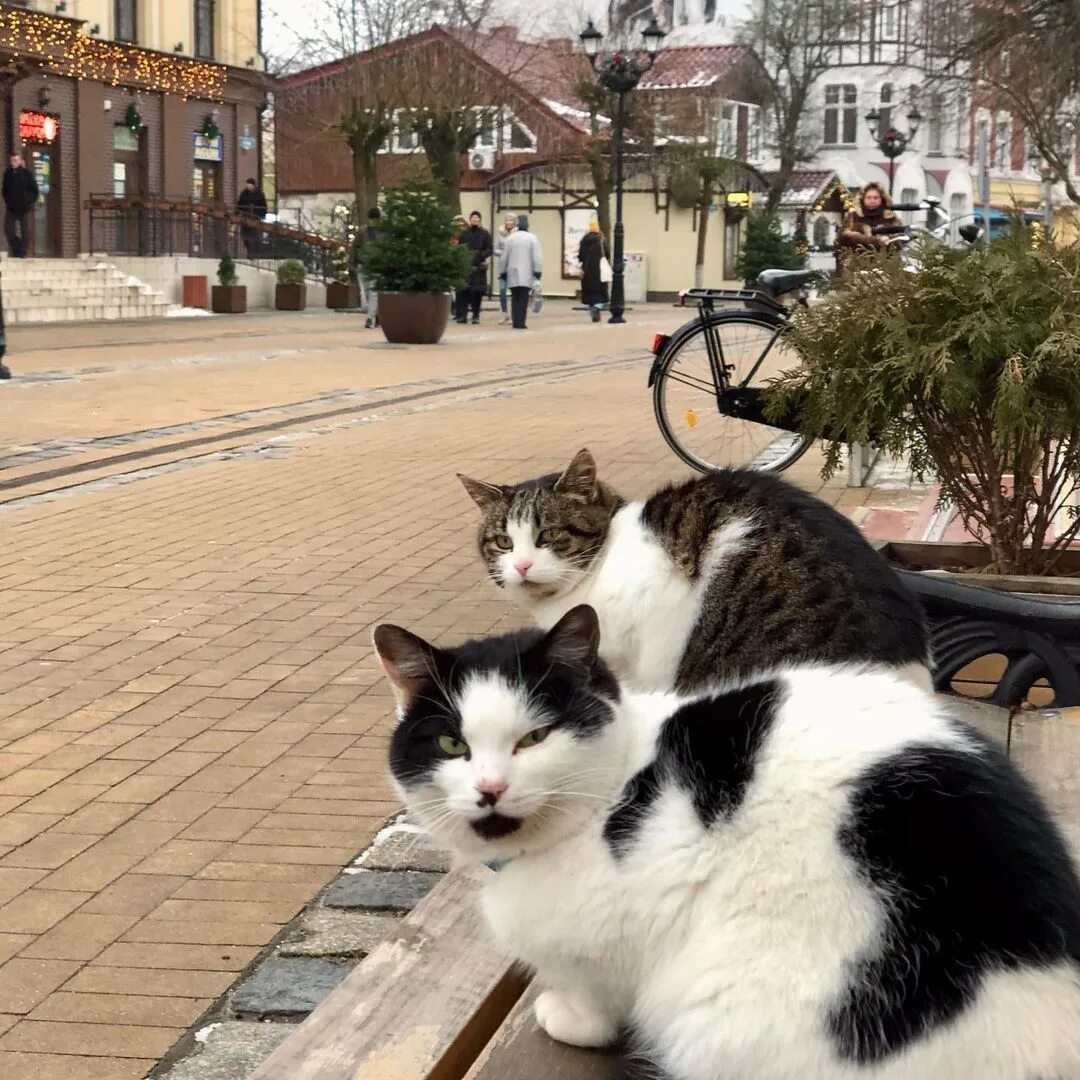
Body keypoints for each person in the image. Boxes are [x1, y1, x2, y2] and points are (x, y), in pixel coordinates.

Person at [835, 181, 901, 274]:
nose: (872, 200)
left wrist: (889, 238)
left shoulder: (891, 217)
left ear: (882, 198)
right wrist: (872, 240)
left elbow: (900, 237)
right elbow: (843, 237)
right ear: (863, 198)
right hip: (857, 266)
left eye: (875, 197)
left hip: (885, 266)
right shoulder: (853, 216)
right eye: (869, 197)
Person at [498, 214, 542, 330]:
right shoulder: (532, 238)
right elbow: (536, 257)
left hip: (512, 272)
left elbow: (504, 257)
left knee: (514, 297)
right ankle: (521, 321)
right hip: (526, 273)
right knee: (523, 298)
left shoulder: (510, 238)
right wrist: (537, 271)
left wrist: (502, 271)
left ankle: (515, 320)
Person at [455, 210, 493, 325]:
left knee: (476, 293)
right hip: (466, 266)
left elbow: (489, 249)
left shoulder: (485, 234)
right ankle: (463, 315)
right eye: (473, 218)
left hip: (479, 267)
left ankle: (476, 315)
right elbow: (460, 247)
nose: (475, 220)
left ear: (480, 220)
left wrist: (480, 256)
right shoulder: (464, 233)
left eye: (477, 218)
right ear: (470, 219)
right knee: (464, 291)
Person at [3, 154, 38, 259]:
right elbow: (5, 189)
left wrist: (28, 200)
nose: (13, 162)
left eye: (15, 160)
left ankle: (23, 252)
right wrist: (8, 200)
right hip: (11, 208)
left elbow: (34, 191)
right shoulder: (8, 174)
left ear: (20, 161)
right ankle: (16, 248)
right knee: (8, 230)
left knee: (25, 232)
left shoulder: (27, 174)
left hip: (24, 208)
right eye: (12, 160)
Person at [577, 219, 608, 323]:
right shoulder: (602, 239)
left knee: (589, 292)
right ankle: (597, 307)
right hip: (600, 271)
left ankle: (592, 310)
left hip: (587, 271)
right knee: (600, 291)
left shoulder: (584, 240)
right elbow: (607, 254)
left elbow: (580, 256)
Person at [493, 212, 516, 324]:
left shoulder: (517, 234)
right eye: (507, 220)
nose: (509, 222)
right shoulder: (500, 233)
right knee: (502, 290)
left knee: (513, 291)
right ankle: (504, 313)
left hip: (513, 266)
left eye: (511, 220)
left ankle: (513, 314)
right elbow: (495, 249)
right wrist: (504, 253)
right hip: (502, 266)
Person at [236, 177, 268, 258]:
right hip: (246, 217)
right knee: (246, 237)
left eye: (249, 184)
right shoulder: (244, 193)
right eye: (247, 184)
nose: (248, 186)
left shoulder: (259, 194)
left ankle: (255, 254)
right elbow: (240, 204)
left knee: (255, 237)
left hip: (255, 218)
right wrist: (237, 213)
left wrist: (261, 215)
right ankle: (249, 253)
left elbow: (263, 206)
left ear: (253, 185)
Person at [362, 206, 381, 329]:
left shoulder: (381, 232)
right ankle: (376, 314)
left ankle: (370, 317)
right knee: (369, 292)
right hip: (367, 264)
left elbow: (355, 247)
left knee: (372, 292)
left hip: (371, 265)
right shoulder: (363, 231)